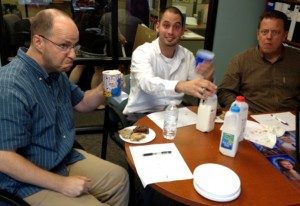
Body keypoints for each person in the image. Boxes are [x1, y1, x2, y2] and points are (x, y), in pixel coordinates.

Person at [0, 9, 129, 206]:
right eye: (64, 46)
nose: (73, 55)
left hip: (60, 157)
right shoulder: (11, 85)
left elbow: (83, 103)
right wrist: (61, 184)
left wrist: (104, 89)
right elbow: (4, 158)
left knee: (119, 179)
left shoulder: (55, 72)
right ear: (38, 42)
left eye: (74, 46)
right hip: (24, 181)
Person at [123, 6, 217, 122]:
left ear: (182, 31)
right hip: (141, 113)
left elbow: (199, 89)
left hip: (173, 113)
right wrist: (181, 85)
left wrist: (208, 78)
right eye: (166, 25)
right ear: (157, 27)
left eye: (176, 27)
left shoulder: (187, 56)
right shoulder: (142, 52)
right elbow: (147, 83)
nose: (171, 32)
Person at [217, 10, 300, 113]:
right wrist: (242, 111)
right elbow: (224, 92)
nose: (269, 37)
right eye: (264, 32)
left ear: (284, 35)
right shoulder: (241, 60)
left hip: (290, 121)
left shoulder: (297, 59)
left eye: (275, 32)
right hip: (253, 120)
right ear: (258, 34)